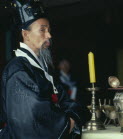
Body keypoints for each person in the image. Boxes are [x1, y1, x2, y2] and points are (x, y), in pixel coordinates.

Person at [0, 0, 89, 138]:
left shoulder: (40, 69)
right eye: (42, 30)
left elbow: (67, 101)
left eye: (49, 30)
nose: (49, 36)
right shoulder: (18, 71)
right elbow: (34, 123)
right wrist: (70, 121)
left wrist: (71, 115)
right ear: (25, 34)